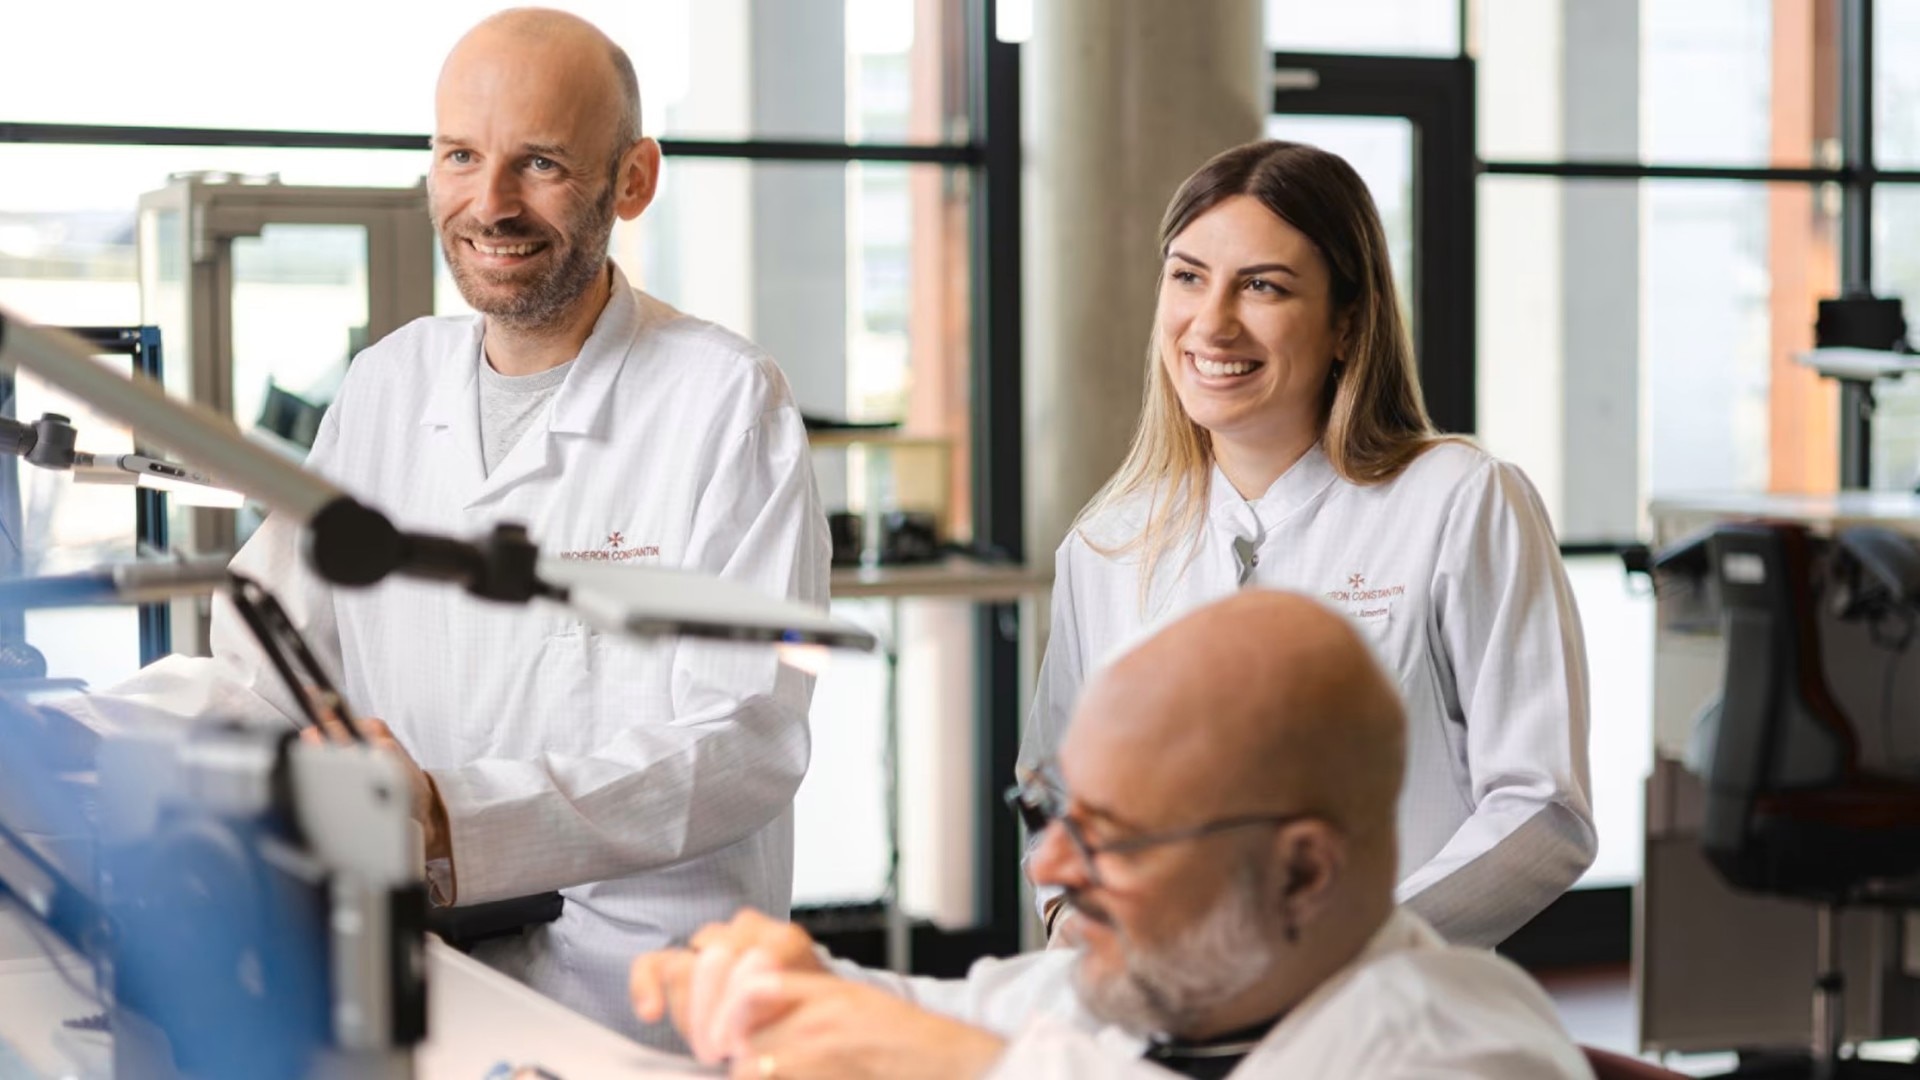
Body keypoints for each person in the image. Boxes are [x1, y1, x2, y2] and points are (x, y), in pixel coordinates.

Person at [62, 8, 829, 1041]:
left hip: (637, 1012)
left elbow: (745, 739)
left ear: (633, 179)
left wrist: (448, 817)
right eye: (461, 155)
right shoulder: (388, 383)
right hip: (416, 981)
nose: (490, 203)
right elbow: (265, 675)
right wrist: (63, 732)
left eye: (540, 163)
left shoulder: (724, 401)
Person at [629, 592, 1596, 1079]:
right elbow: (950, 1009)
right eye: (1051, 814)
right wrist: (788, 979)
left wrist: (956, 1062)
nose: (1050, 868)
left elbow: (962, 1048)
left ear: (1301, 873)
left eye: (1112, 841)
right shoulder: (1168, 985)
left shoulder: (1459, 1047)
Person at [1022, 139, 1593, 948]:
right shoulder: (1107, 545)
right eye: (1188, 277)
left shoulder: (1460, 502)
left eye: (1263, 286)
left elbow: (1543, 808)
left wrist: (1333, 954)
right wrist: (1071, 917)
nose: (1212, 323)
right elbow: (1055, 790)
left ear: (1346, 323)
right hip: (1162, 1008)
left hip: (1389, 1001)